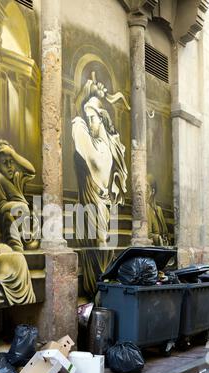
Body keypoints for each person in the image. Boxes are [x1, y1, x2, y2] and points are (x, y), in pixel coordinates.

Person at [72, 75, 129, 297]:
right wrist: (87, 94)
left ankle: (102, 288)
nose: (89, 122)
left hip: (103, 202)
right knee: (98, 243)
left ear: (102, 119)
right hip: (90, 200)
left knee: (104, 244)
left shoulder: (112, 144)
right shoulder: (85, 136)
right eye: (88, 117)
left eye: (92, 118)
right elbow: (76, 121)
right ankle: (98, 288)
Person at [0, 140, 36, 252]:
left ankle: (22, 242)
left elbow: (31, 171)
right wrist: (20, 206)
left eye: (11, 161)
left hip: (19, 212)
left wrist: (13, 154)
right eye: (5, 163)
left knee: (18, 212)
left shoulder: (17, 176)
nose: (9, 166)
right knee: (16, 211)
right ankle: (19, 243)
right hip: (4, 207)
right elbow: (2, 204)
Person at [147, 174, 169, 246]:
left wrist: (166, 239)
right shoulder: (145, 209)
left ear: (153, 191)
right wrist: (159, 238)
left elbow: (165, 232)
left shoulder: (159, 210)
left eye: (147, 187)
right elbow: (148, 234)